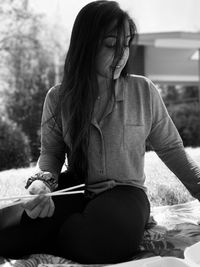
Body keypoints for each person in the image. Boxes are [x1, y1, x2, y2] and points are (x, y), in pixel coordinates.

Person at [1, 0, 200, 264]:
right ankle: (60, 232)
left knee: (98, 239)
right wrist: (42, 183)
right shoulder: (58, 98)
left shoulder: (143, 91)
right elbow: (51, 154)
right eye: (110, 45)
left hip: (126, 193)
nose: (122, 55)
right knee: (5, 233)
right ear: (86, 44)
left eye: (126, 44)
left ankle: (59, 234)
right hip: (76, 188)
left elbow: (172, 149)